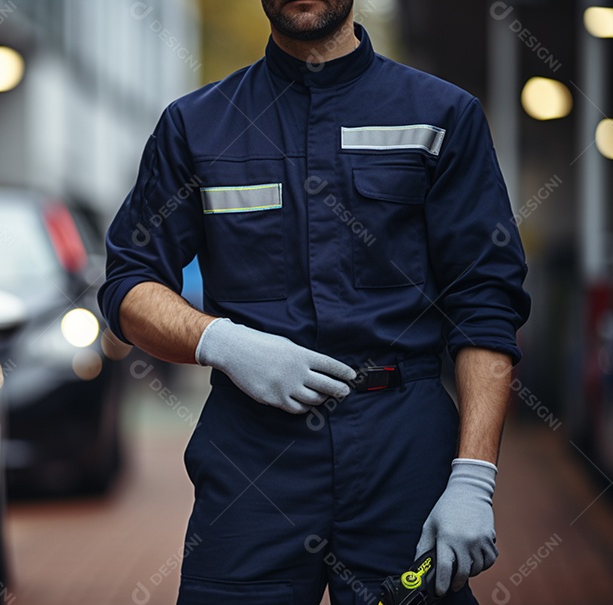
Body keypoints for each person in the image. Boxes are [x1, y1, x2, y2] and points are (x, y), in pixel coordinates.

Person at [98, 1, 531, 603]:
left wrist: (473, 478)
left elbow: (484, 301)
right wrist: (224, 342)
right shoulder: (197, 127)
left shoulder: (440, 116)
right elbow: (128, 282)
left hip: (403, 454)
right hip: (253, 459)